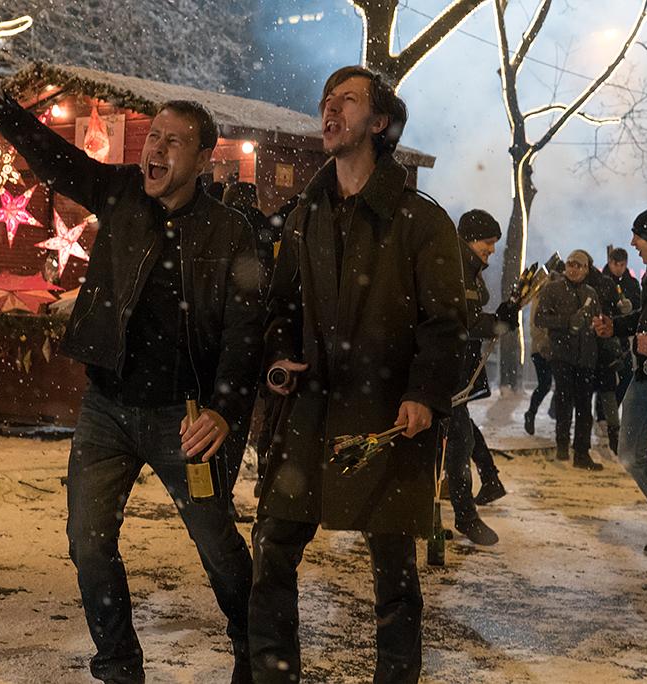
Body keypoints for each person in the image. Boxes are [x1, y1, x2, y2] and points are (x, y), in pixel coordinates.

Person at [0, 68, 263, 684]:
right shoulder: (122, 194)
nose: (156, 149)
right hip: (109, 406)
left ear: (204, 158)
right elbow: (57, 161)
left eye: (174, 141)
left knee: (217, 544)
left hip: (186, 418)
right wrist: (2, 109)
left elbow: (245, 332)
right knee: (88, 539)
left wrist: (224, 409)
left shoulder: (229, 231)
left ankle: (255, 649)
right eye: (154, 137)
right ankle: (119, 665)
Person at [251, 65, 465, 683]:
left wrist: (424, 393)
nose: (330, 108)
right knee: (273, 549)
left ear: (379, 122)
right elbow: (281, 308)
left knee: (393, 570)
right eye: (327, 99)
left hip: (386, 417)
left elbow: (445, 324)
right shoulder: (304, 215)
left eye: (347, 99)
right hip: (310, 411)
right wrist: (279, 358)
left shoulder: (421, 220)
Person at [445, 209, 516, 545]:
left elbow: (473, 312)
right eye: (487, 243)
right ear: (470, 239)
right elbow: (463, 321)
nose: (491, 249)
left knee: (459, 440)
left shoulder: (467, 267)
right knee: (459, 442)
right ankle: (465, 516)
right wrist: (496, 323)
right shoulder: (456, 267)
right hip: (443, 371)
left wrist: (497, 318)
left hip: (455, 372)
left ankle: (461, 512)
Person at [594, 205, 647, 568]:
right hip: (645, 375)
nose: (633, 242)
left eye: (639, 235)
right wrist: (616, 327)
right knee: (631, 454)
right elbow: (644, 320)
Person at [535, 250, 603, 469]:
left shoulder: (591, 293)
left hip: (586, 357)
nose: (573, 269)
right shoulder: (552, 289)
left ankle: (582, 453)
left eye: (578, 265)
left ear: (586, 269)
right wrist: (567, 322)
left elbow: (597, 319)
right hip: (562, 355)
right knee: (564, 401)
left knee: (584, 406)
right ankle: (562, 445)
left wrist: (598, 326)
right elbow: (540, 318)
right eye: (570, 264)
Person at [585, 254, 623, 455]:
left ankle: (587, 438)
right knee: (607, 393)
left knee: (589, 394)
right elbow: (618, 311)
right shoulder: (606, 283)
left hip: (592, 348)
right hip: (604, 348)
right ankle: (613, 433)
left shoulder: (586, 286)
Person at [603, 247, 641, 406]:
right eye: (615, 264)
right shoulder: (602, 281)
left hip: (623, 336)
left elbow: (639, 305)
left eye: (622, 265)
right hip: (604, 336)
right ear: (610, 262)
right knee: (605, 381)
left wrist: (630, 305)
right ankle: (603, 415)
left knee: (626, 377)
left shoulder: (631, 283)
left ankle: (613, 409)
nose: (618, 268)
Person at [524, 270, 559, 435]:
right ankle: (531, 413)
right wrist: (544, 343)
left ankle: (552, 411)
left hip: (554, 348)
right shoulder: (541, 297)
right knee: (545, 384)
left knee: (557, 383)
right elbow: (535, 325)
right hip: (541, 348)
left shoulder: (555, 296)